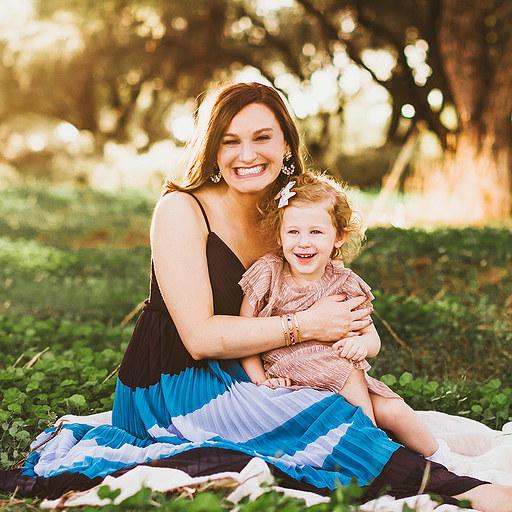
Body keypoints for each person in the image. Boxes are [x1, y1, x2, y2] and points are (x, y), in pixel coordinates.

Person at [2, 82, 512, 512]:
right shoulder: (182, 210)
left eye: (262, 137)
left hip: (257, 369)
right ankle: (460, 490)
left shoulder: (289, 217)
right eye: (230, 142)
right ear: (213, 151)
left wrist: (348, 331)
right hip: (174, 385)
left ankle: (423, 467)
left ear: (287, 144)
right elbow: (199, 338)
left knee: (374, 407)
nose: (247, 155)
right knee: (328, 420)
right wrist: (308, 326)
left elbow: (326, 291)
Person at [239, 171, 447, 464]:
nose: (303, 242)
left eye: (316, 232)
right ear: (279, 235)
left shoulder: (345, 284)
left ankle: (440, 457)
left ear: (339, 236)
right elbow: (245, 334)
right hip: (293, 380)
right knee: (346, 376)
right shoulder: (269, 273)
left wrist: (361, 345)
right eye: (293, 232)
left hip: (343, 376)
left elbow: (372, 339)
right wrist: (261, 382)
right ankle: (373, 449)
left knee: (394, 410)